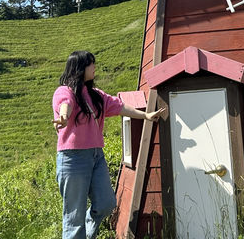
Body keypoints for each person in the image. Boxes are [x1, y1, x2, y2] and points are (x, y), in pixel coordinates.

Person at [52, 50, 164, 239]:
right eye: (91, 64)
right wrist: (63, 117)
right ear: (80, 67)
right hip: (73, 158)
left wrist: (145, 115)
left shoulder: (96, 95)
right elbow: (65, 104)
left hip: (96, 156)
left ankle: (87, 230)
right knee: (73, 216)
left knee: (106, 202)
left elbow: (119, 106)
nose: (94, 67)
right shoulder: (65, 91)